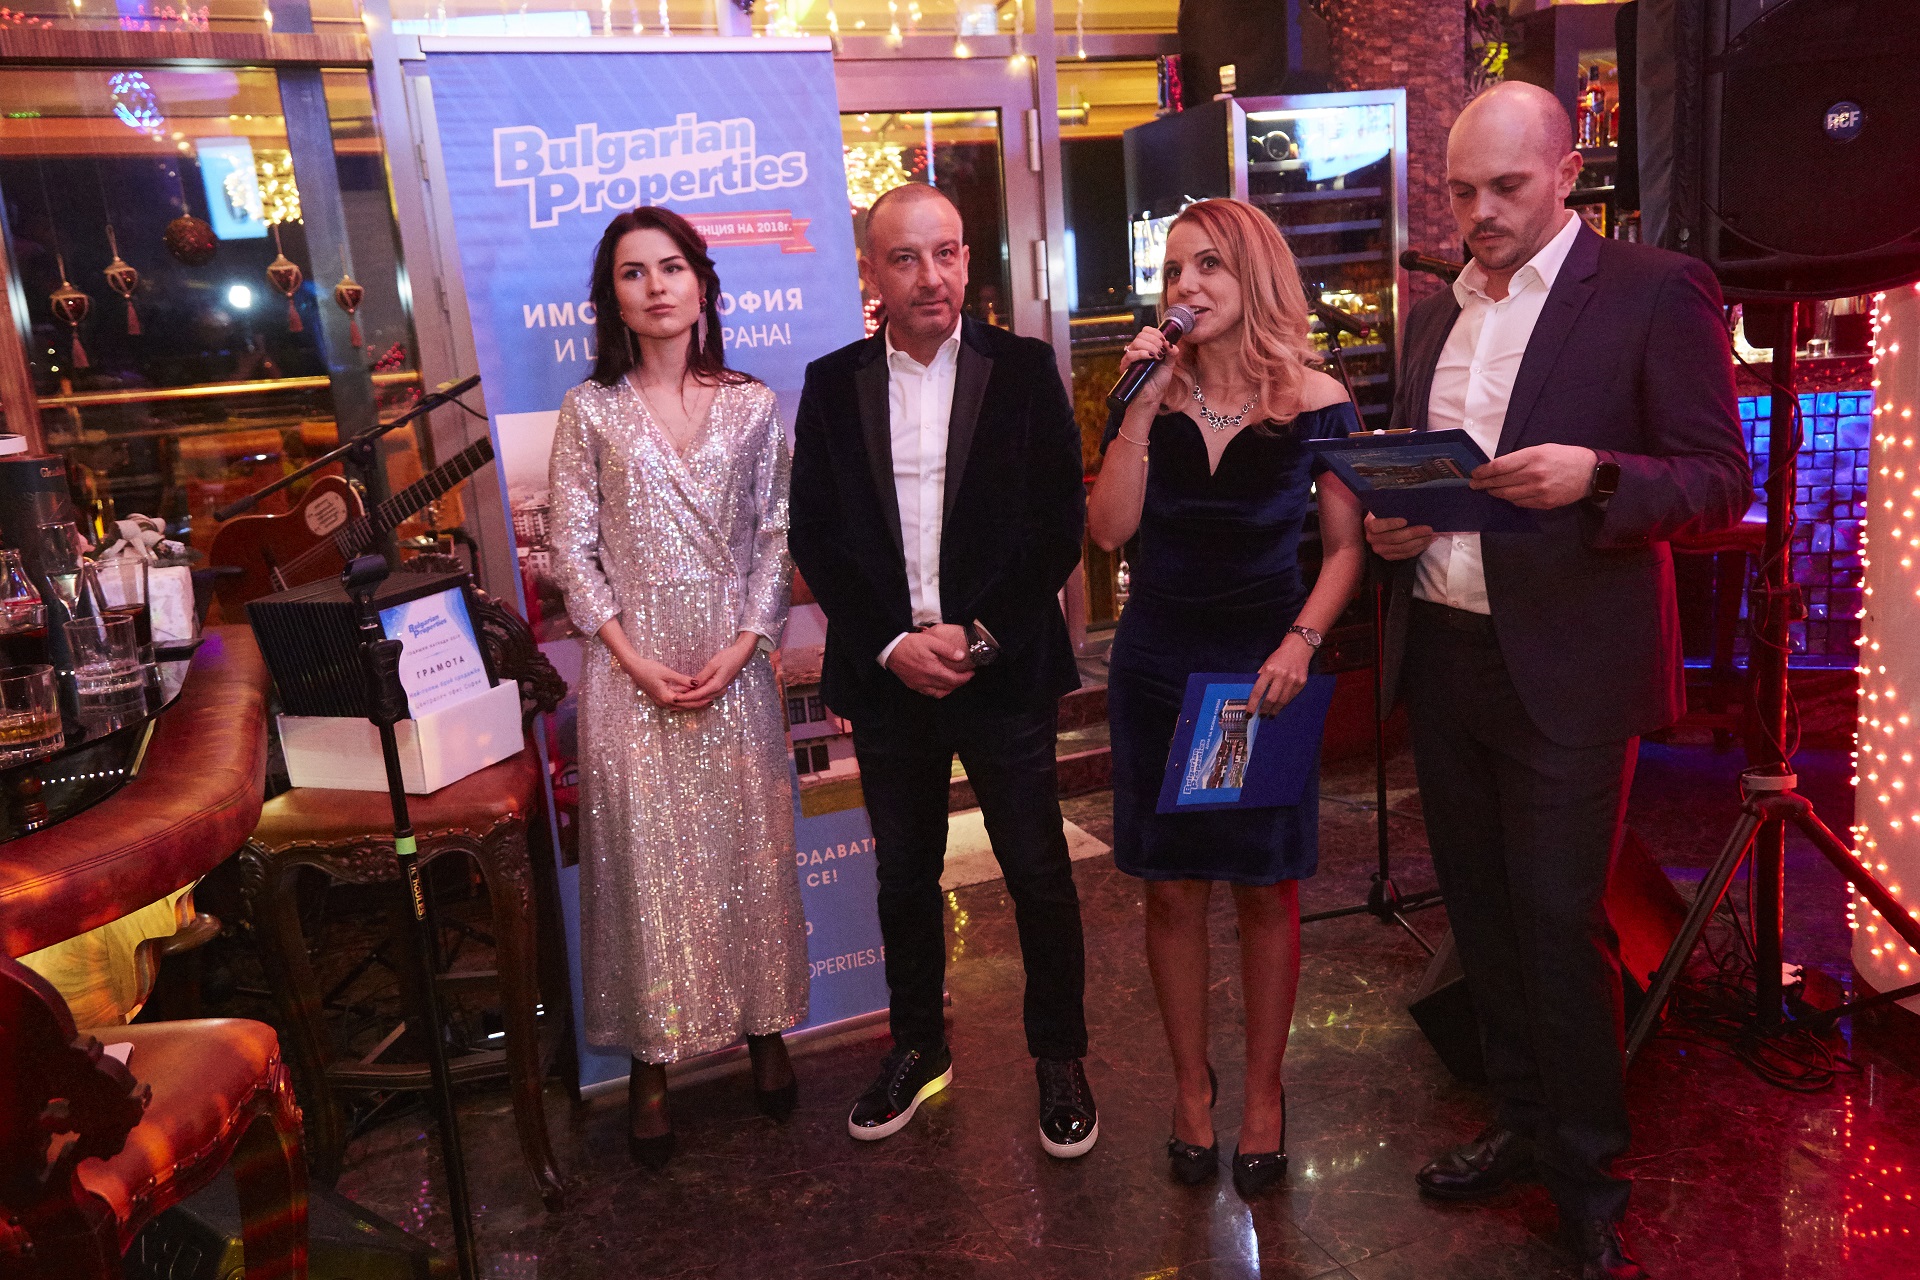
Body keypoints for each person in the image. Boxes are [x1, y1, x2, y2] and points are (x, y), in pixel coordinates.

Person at [1367, 83, 1750, 1279]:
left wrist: (1598, 476)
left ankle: (1588, 1175)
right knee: (1482, 916)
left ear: (1569, 170)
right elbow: (1419, 471)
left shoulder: (1653, 289)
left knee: (1556, 918)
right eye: (1460, 192)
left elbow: (1718, 479)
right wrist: (1390, 527)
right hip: (1444, 651)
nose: (1479, 212)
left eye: (1506, 186)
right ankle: (1521, 1123)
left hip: (1572, 666)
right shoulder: (1434, 315)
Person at [788, 183, 1096, 1156]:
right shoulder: (832, 383)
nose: (932, 275)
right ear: (872, 274)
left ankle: (1060, 1056)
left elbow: (1058, 522)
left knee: (1038, 870)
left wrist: (980, 635)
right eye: (907, 257)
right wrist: (891, 642)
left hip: (1000, 669)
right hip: (890, 677)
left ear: (967, 259)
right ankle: (918, 1048)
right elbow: (817, 534)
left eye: (948, 252)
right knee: (904, 876)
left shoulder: (1024, 368)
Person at [1087, 198, 1366, 1198]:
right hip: (1159, 666)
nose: (1186, 286)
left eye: (1207, 264)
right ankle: (1190, 1090)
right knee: (1170, 887)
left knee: (1262, 887)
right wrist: (1136, 408)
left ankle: (1263, 1095)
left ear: (1254, 275)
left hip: (1258, 676)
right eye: (1172, 270)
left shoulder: (1318, 400)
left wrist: (1301, 641)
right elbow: (1109, 532)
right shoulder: (1144, 393)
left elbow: (1345, 549)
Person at [548, 207, 809, 1171]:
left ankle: (765, 1030)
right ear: (611, 297)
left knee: (750, 855)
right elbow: (571, 549)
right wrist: (628, 656)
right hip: (631, 676)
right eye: (632, 272)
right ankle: (651, 1066)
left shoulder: (753, 404)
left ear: (702, 284)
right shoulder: (590, 410)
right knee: (644, 871)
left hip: (734, 669)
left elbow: (778, 535)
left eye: (670, 267)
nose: (655, 286)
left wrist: (746, 645)